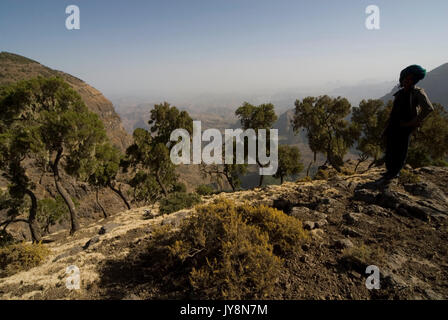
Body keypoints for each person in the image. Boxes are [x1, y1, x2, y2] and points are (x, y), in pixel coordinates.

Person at [382, 65, 434, 180]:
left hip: (405, 127)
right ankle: (389, 170)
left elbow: (428, 108)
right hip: (394, 125)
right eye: (406, 78)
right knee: (390, 148)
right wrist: (387, 125)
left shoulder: (417, 92)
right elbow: (394, 111)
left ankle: (395, 172)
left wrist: (412, 123)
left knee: (401, 149)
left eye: (410, 79)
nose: (407, 81)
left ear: (414, 80)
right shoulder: (401, 92)